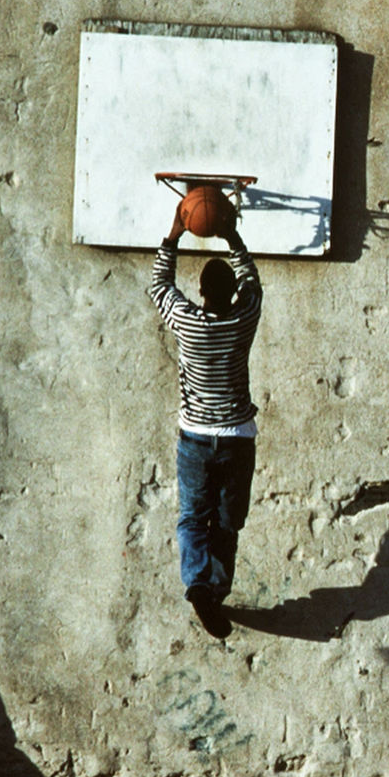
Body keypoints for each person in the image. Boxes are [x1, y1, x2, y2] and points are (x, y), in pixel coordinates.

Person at [148, 196, 263, 639]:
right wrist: (231, 231)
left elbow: (160, 285)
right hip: (236, 437)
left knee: (193, 517)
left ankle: (198, 582)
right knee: (228, 521)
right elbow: (253, 282)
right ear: (230, 293)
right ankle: (213, 589)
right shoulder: (243, 320)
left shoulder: (186, 322)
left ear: (200, 293)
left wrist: (175, 232)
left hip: (195, 436)